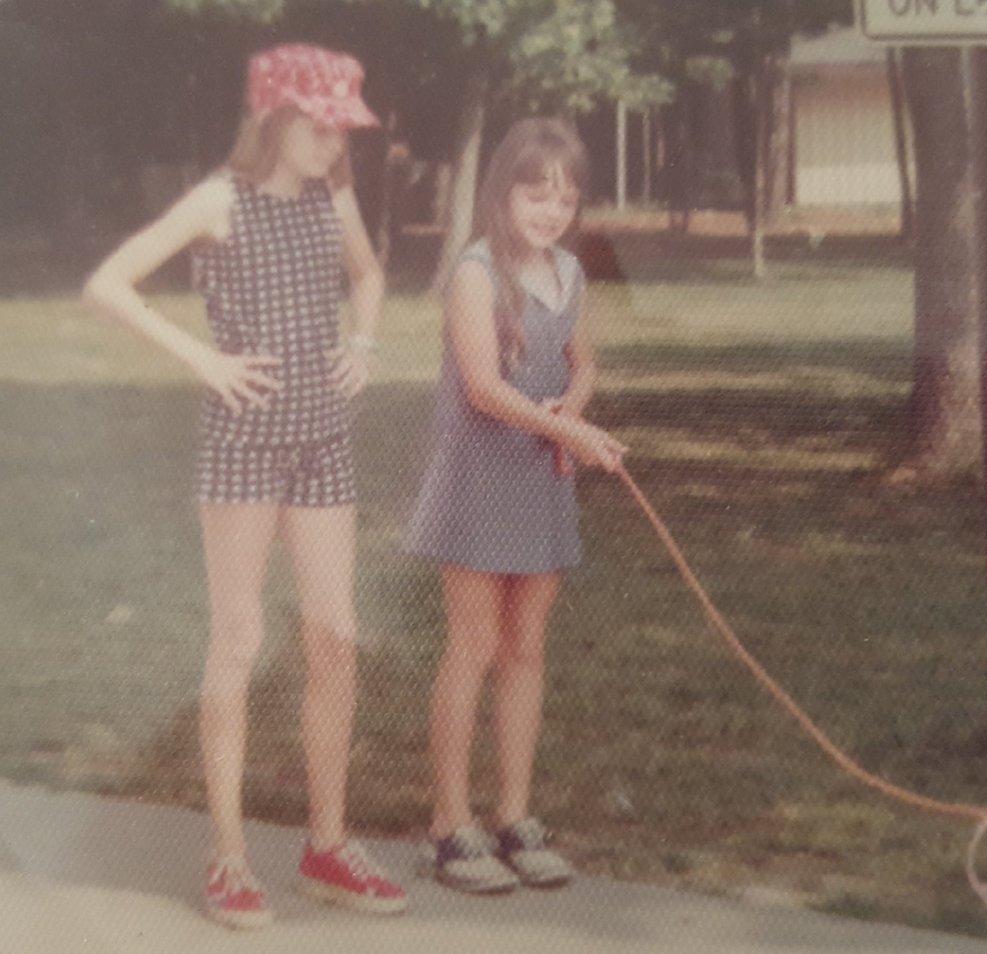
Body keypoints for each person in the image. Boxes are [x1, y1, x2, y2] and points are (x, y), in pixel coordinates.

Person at [83, 44, 406, 929]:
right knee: (238, 640)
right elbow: (109, 284)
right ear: (272, 118)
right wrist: (203, 359)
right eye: (322, 122)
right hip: (242, 446)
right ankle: (228, 858)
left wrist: (364, 347)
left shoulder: (331, 194)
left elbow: (370, 275)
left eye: (345, 124)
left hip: (321, 444)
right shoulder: (216, 200)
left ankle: (327, 847)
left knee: (335, 636)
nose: (337, 138)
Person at [406, 117, 626, 894]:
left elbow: (584, 360)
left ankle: (515, 814)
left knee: (526, 645)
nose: (552, 210)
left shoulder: (570, 271)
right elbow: (486, 389)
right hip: (480, 472)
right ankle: (448, 823)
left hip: (542, 472)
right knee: (472, 644)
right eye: (538, 193)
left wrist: (577, 401)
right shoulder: (475, 273)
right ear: (503, 193)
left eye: (566, 196)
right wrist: (571, 426)